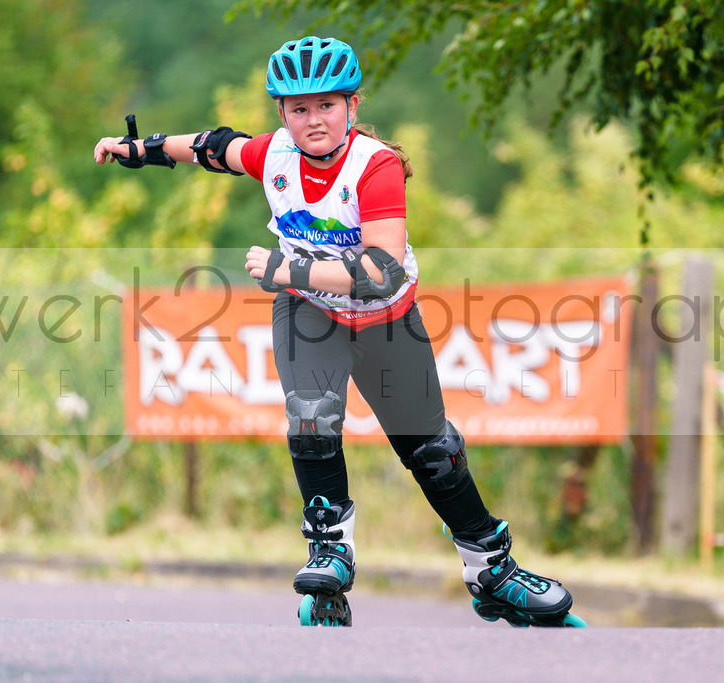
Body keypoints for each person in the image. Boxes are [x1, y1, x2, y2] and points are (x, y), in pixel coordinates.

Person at [94, 35, 584, 628]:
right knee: (310, 416)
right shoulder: (273, 155)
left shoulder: (374, 166)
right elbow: (212, 147)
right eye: (299, 109)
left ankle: (491, 570)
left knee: (432, 451)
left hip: (385, 319)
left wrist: (286, 268)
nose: (313, 120)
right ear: (283, 115)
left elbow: (381, 271)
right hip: (310, 314)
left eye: (326, 105)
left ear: (352, 107)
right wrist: (140, 148)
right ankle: (330, 549)